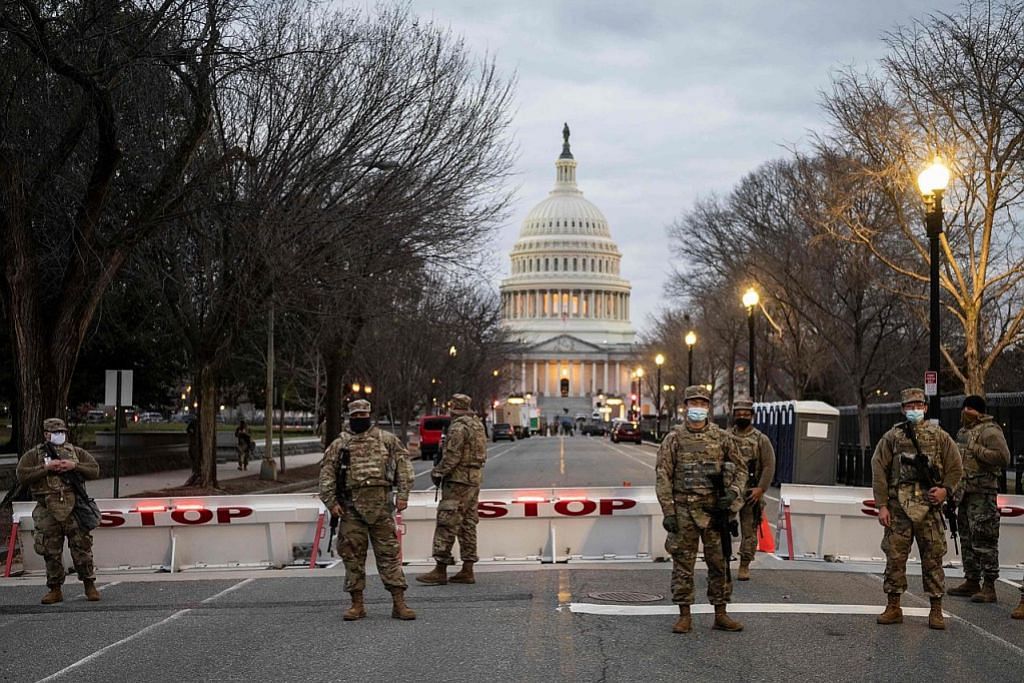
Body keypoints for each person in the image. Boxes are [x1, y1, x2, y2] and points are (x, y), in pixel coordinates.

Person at [656, 385, 747, 634]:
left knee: (719, 563)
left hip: (714, 509)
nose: (697, 408)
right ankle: (684, 614)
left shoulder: (722, 437)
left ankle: (720, 613)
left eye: (702, 403)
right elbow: (663, 475)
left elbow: (741, 469)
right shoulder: (674, 439)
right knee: (683, 564)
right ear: (686, 406)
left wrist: (733, 494)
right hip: (684, 509)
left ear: (708, 407)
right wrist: (669, 512)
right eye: (693, 403)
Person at [871, 388, 962, 630]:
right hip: (898, 507)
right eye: (910, 406)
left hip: (929, 508)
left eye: (918, 405)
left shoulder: (940, 437)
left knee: (933, 558)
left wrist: (945, 490)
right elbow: (878, 469)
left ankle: (936, 609)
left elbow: (955, 467)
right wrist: (882, 505)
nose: (914, 409)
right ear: (902, 409)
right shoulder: (892, 437)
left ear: (925, 407)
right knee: (895, 558)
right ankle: (893, 606)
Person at [318, 399, 416, 621]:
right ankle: (357, 604)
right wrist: (331, 502)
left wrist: (402, 495)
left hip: (381, 508)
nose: (360, 419)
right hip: (351, 509)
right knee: (352, 557)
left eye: (364, 415)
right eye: (356, 416)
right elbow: (326, 474)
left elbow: (404, 466)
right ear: (350, 417)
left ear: (370, 415)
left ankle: (399, 603)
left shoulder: (386, 440)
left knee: (390, 555)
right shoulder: (340, 444)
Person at [15, 418, 102, 605]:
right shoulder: (34, 455)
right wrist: (45, 469)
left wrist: (74, 466)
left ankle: (89, 584)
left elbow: (94, 470)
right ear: (46, 434)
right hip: (47, 508)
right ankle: (55, 588)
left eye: (62, 432)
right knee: (50, 550)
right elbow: (22, 475)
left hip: (74, 507)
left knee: (82, 548)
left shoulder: (76, 452)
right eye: (55, 432)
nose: (59, 435)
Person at [417, 393, 487, 586]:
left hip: (457, 481)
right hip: (473, 479)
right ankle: (468, 567)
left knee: (447, 522)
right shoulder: (477, 425)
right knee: (468, 523)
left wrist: (438, 472)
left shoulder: (458, 427)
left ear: (454, 408)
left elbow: (452, 457)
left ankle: (440, 567)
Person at [947, 395, 1010, 604]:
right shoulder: (963, 432)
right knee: (967, 539)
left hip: (983, 494)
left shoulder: (990, 431)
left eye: (970, 409)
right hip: (965, 493)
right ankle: (971, 579)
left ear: (979, 411)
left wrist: (978, 450)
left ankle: (989, 585)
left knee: (984, 539)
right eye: (964, 408)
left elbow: (1003, 457)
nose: (965, 411)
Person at [729, 399, 775, 581]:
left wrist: (761, 488)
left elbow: (769, 466)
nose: (742, 416)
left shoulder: (760, 439)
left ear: (752, 416)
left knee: (749, 531)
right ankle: (723, 563)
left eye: (746, 414)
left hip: (751, 493)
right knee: (722, 529)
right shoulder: (726, 437)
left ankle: (744, 565)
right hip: (730, 493)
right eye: (739, 413)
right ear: (734, 415)